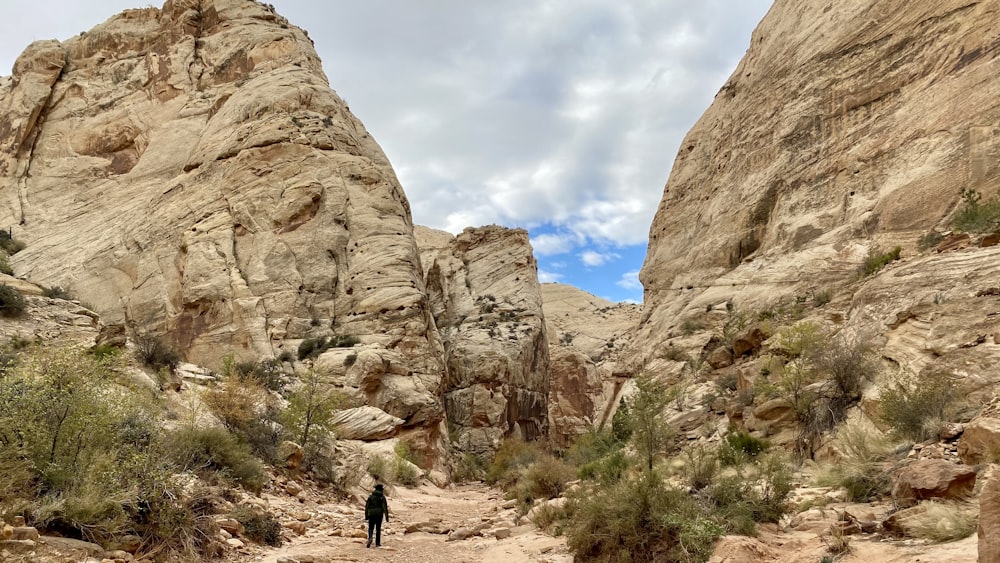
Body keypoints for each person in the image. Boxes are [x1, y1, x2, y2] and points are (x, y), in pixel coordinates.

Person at [365, 483, 390, 548]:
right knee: (378, 528)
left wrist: (366, 515)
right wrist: (387, 517)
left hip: (371, 514)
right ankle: (377, 543)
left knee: (370, 527)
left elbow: (367, 506)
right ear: (381, 489)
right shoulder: (382, 497)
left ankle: (370, 538)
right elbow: (384, 507)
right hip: (379, 514)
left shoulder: (371, 496)